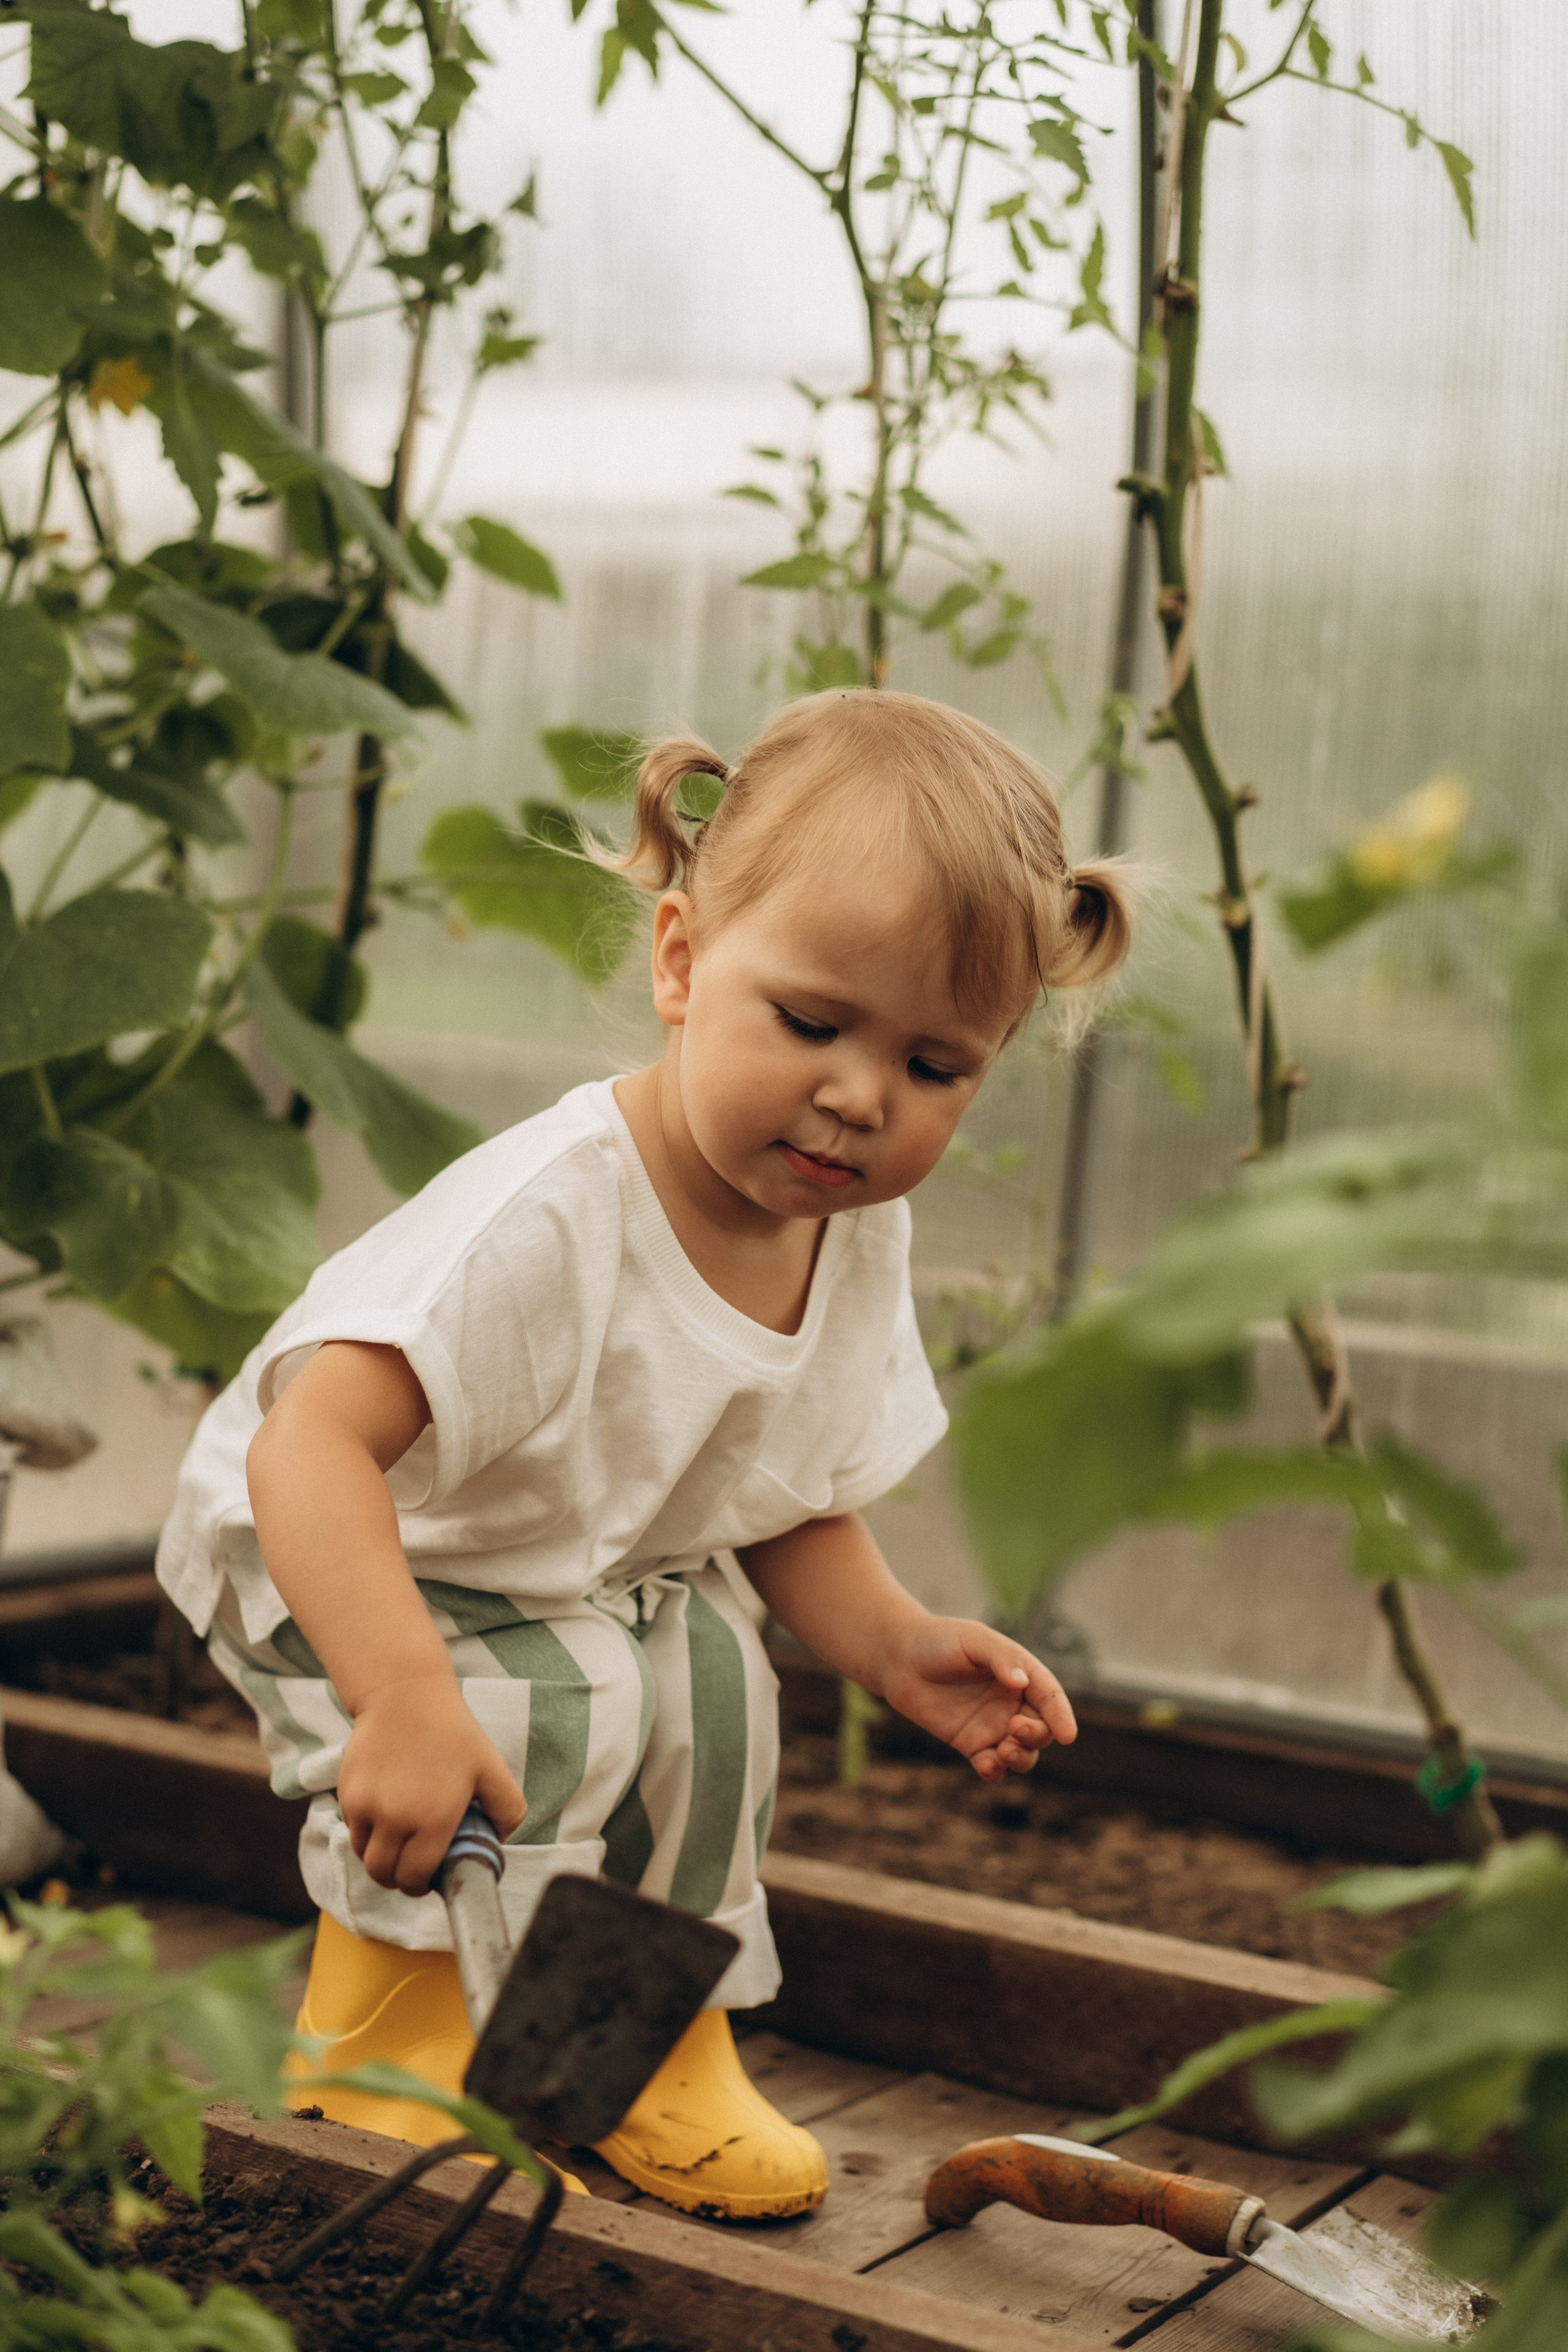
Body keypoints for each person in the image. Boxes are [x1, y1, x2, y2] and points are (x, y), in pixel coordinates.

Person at [156, 687, 1134, 2222]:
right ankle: (387, 2053)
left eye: (935, 1067)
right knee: (551, 1699)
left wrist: (890, 1643)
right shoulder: (553, 1219)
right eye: (810, 1023)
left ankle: (622, 2058)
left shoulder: (844, 1224)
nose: (859, 1096)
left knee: (716, 1687)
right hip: (340, 1552)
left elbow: (782, 1488)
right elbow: (307, 1450)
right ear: (681, 962)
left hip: (562, 1566)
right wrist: (400, 1691)